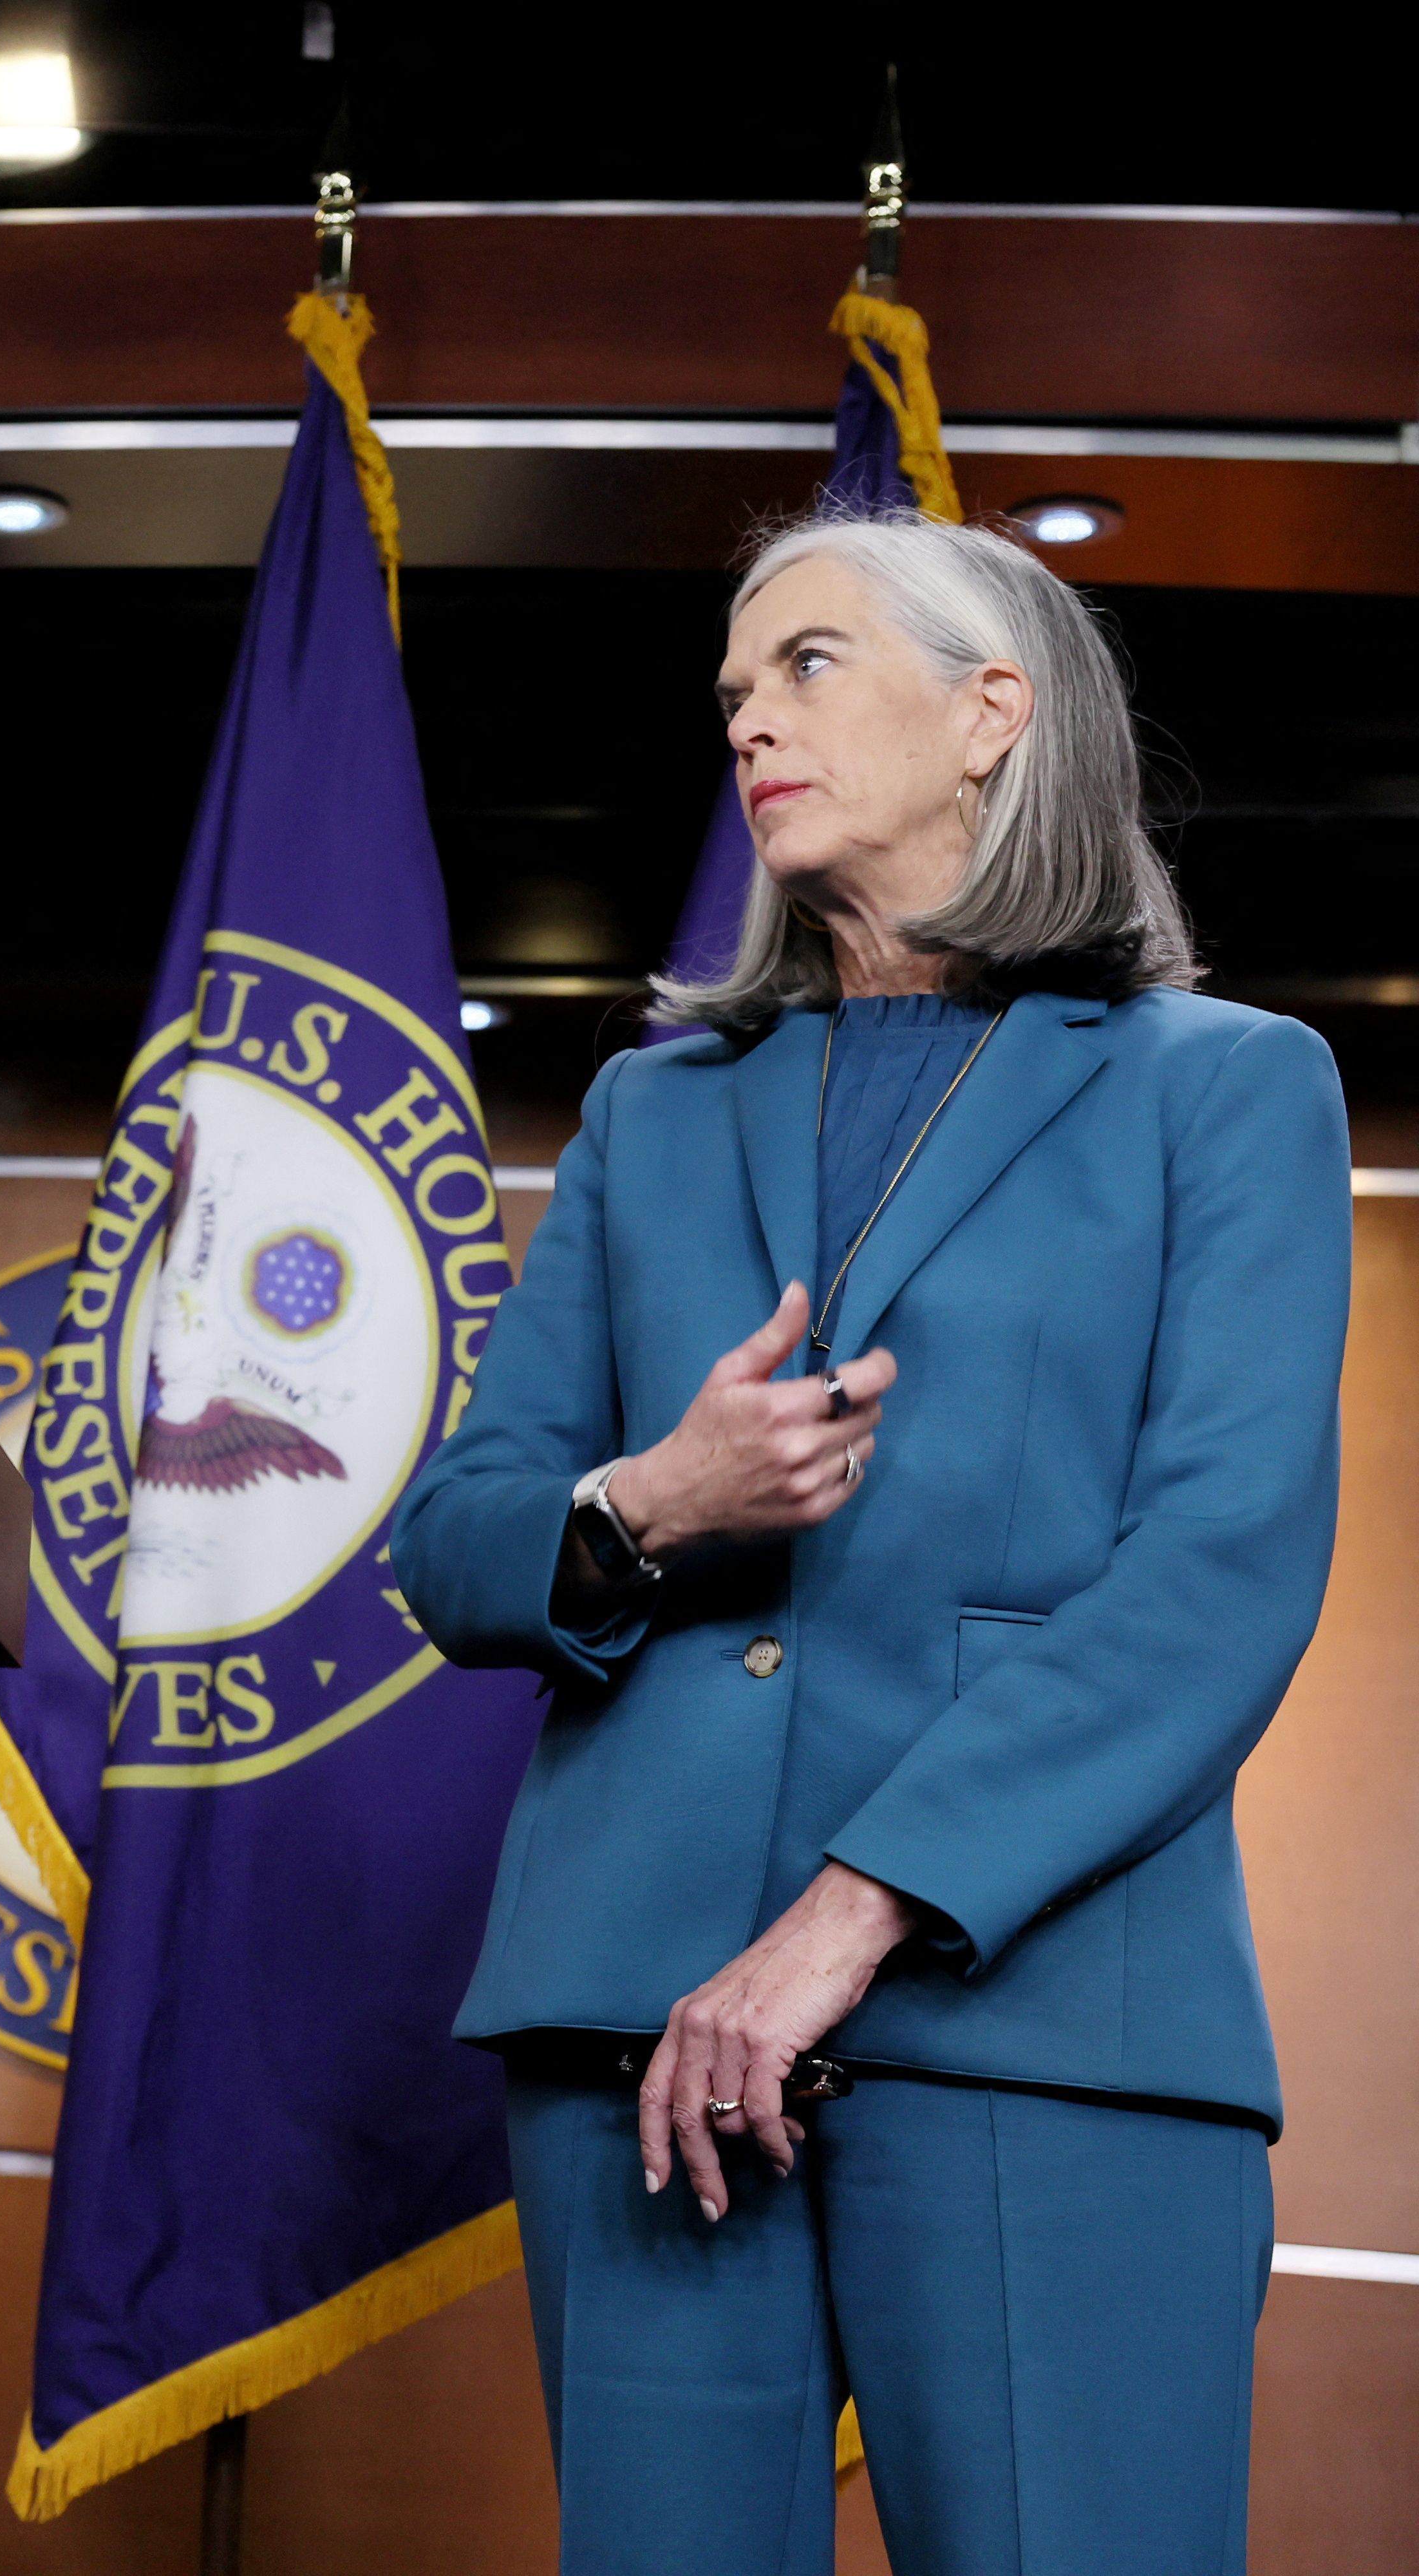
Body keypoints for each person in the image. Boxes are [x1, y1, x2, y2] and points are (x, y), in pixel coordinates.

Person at [390, 506, 1343, 2575]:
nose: (747, 718)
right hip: (633, 2025)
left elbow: (1218, 1576)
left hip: (1044, 2024)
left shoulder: (1228, 1089)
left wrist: (845, 1919)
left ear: (993, 713)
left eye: (806, 666)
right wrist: (657, 1499)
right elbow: (454, 1544)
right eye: (733, 687)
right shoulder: (651, 1112)